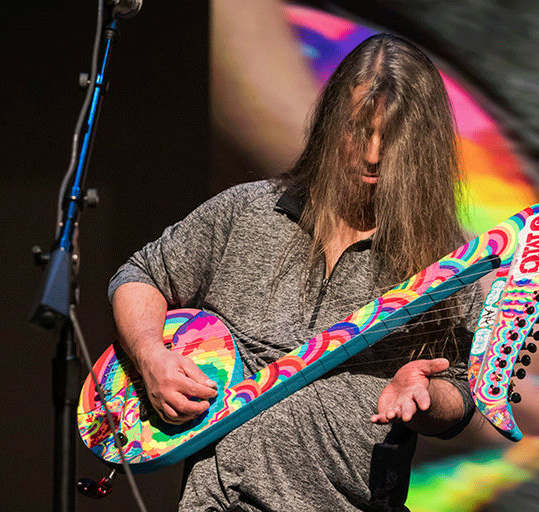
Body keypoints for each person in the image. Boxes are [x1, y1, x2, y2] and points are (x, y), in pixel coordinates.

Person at [109, 34, 481, 511]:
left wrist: (425, 395)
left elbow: (464, 393)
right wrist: (150, 356)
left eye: (390, 137)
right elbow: (141, 275)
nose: (372, 154)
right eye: (357, 130)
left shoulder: (449, 262)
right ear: (329, 125)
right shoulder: (246, 211)